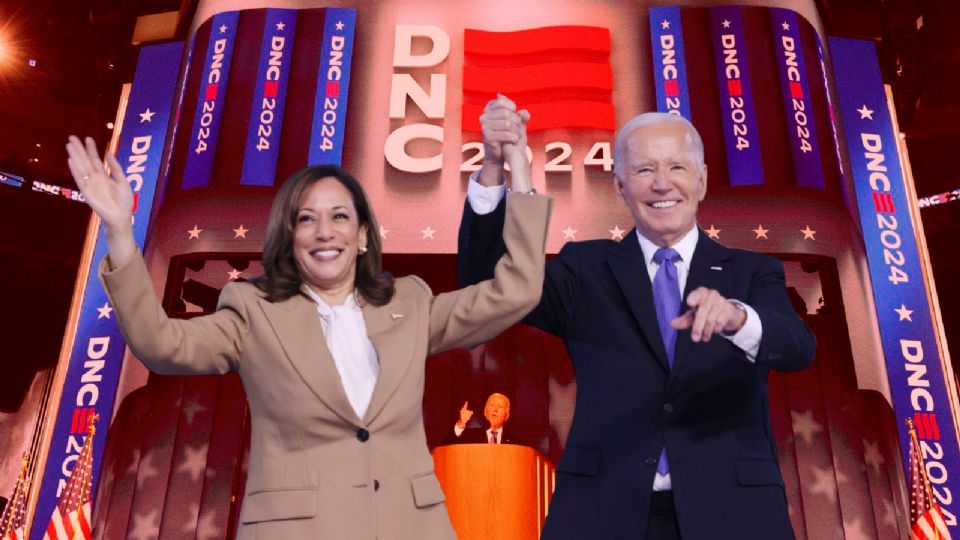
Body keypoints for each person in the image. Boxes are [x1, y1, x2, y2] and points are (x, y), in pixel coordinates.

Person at [65, 95, 550, 540]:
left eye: (340, 217)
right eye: (306, 218)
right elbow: (159, 343)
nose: (325, 232)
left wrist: (511, 169)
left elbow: (516, 290)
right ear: (289, 239)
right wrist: (120, 233)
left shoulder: (411, 303)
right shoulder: (252, 312)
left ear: (362, 236)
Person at [459, 105, 816, 539]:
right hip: (602, 514)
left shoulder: (752, 272)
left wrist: (739, 318)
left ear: (700, 180)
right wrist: (495, 167)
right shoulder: (583, 270)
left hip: (734, 514)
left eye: (676, 167)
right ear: (621, 186)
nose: (662, 183)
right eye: (645, 169)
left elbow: (798, 347)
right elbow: (487, 287)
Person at [445, 392, 518, 445]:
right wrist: (460, 424)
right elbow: (448, 446)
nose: (495, 409)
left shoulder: (515, 442)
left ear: (507, 415)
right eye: (492, 405)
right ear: (485, 412)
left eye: (500, 407)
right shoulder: (471, 436)